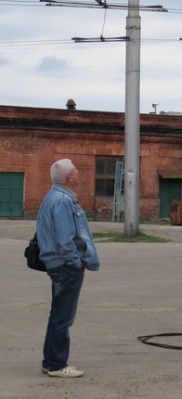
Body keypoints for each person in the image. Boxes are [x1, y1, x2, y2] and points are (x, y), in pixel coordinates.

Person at [36, 159, 100, 378]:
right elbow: (65, 239)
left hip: (57, 264)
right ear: (70, 177)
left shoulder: (53, 197)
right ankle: (55, 364)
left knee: (58, 314)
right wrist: (76, 261)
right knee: (63, 316)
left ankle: (50, 361)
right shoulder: (62, 200)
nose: (79, 172)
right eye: (76, 170)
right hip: (65, 266)